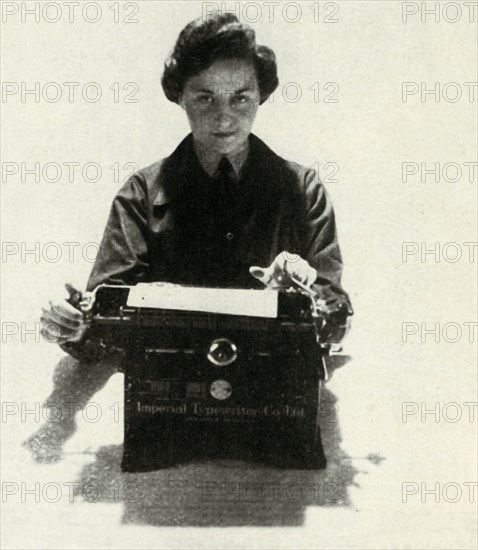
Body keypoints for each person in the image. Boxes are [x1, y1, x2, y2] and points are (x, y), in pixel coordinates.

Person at [31, 13, 352, 460]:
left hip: (274, 400)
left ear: (261, 96)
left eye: (241, 98)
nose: (225, 117)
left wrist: (300, 292)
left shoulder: (302, 189)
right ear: (179, 96)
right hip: (167, 405)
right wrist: (72, 323)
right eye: (205, 98)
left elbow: (335, 314)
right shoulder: (142, 192)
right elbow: (105, 311)